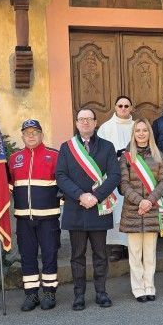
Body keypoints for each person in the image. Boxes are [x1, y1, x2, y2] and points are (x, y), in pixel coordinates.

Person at [56, 108, 121, 310]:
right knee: (77, 255)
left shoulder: (107, 146)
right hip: (76, 207)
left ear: (95, 123)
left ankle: (101, 292)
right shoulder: (66, 147)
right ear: (76, 123)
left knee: (101, 254)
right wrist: (80, 195)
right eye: (81, 119)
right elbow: (61, 176)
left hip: (98, 207)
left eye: (89, 119)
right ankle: (79, 295)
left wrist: (96, 196)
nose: (85, 122)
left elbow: (114, 175)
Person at [8, 119, 62, 311]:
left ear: (42, 135)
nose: (31, 136)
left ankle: (49, 292)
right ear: (22, 136)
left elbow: (62, 184)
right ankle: (31, 294)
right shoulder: (14, 159)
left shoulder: (54, 156)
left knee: (49, 255)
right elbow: (10, 186)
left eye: (35, 132)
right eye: (27, 133)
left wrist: (57, 203)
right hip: (24, 219)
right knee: (27, 256)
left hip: (49, 218)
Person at [118, 119, 163, 302]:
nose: (141, 133)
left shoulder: (158, 155)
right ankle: (138, 287)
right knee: (134, 253)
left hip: (152, 208)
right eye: (137, 130)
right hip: (133, 210)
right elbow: (123, 184)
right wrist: (140, 202)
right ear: (133, 133)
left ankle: (149, 286)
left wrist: (149, 201)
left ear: (149, 133)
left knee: (149, 253)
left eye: (144, 130)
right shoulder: (126, 157)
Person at [96, 96, 135, 262]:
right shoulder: (106, 127)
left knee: (132, 207)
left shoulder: (137, 126)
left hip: (134, 174)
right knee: (116, 208)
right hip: (112, 173)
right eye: (120, 106)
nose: (123, 108)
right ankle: (116, 246)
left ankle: (131, 245)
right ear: (115, 107)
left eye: (126, 106)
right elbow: (99, 150)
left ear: (131, 108)